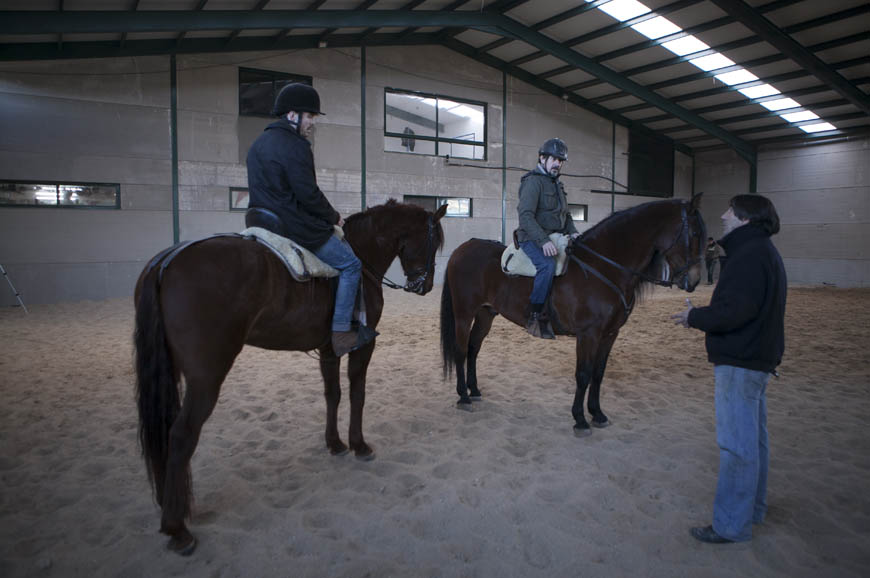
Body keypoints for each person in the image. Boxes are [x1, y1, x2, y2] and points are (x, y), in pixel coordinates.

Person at [671, 194, 787, 544]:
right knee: (754, 441)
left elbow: (736, 312)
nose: (723, 216)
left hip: (740, 360)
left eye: (731, 211)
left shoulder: (749, 256)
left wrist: (695, 317)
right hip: (755, 357)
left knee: (737, 445)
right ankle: (753, 509)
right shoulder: (760, 251)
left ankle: (731, 525)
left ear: (746, 219)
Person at [246, 82, 375, 357]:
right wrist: (333, 216)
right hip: (292, 225)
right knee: (351, 264)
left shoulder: (257, 144)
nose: (311, 123)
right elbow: (308, 194)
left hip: (260, 221)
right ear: (292, 115)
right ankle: (341, 332)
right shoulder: (296, 146)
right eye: (309, 116)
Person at [516, 138, 581, 339]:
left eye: (561, 161)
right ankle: (534, 316)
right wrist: (544, 241)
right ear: (542, 158)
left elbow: (566, 215)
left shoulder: (557, 185)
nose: (558, 164)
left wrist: (574, 232)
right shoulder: (533, 182)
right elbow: (525, 215)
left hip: (557, 235)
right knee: (547, 265)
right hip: (532, 237)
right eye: (554, 159)